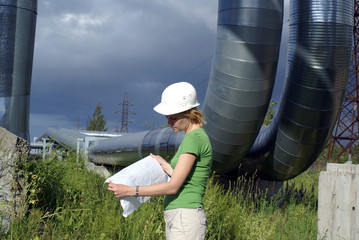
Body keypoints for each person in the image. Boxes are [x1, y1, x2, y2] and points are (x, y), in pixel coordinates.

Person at [108, 81, 212, 240]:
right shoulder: (194, 137)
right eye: (167, 117)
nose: (168, 122)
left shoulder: (194, 139)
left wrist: (130, 191)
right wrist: (165, 165)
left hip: (185, 216)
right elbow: (184, 179)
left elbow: (173, 186)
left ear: (189, 113)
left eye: (173, 118)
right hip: (182, 216)